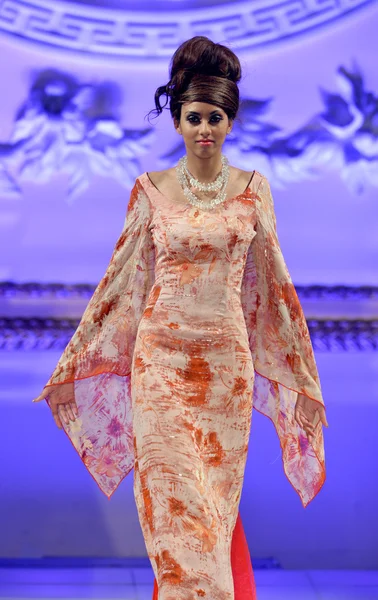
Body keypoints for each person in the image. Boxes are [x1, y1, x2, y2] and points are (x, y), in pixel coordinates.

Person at [32, 36, 328, 600]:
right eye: (194, 117)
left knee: (211, 526)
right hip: (160, 373)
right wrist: (78, 361)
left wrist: (302, 384)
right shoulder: (149, 191)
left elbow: (274, 287)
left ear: (230, 122)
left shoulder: (253, 191)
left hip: (225, 378)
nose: (205, 130)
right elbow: (121, 282)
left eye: (216, 118)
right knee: (175, 525)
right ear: (177, 121)